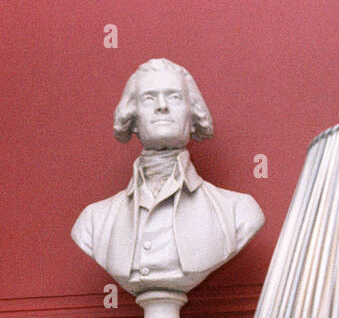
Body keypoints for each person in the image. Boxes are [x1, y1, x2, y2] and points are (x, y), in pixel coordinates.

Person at [71, 59, 263, 300]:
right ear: (132, 118)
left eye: (174, 97)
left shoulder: (239, 212)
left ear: (193, 116)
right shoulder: (93, 222)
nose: (162, 106)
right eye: (149, 98)